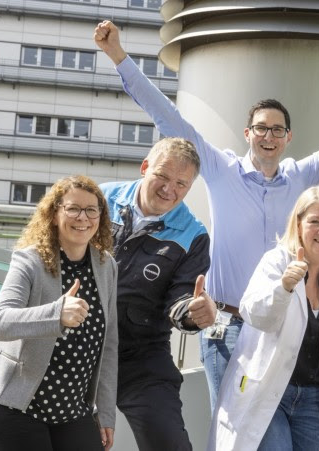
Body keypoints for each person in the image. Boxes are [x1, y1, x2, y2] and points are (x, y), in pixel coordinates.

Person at [93, 20, 319, 410]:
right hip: (227, 326)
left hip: (282, 325)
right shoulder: (221, 169)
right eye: (261, 129)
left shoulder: (302, 176)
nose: (269, 136)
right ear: (247, 133)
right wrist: (118, 55)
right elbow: (168, 117)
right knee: (231, 427)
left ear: (288, 138)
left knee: (275, 427)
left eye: (277, 130)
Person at [208, 186, 319, 450]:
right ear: (298, 224)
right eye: (315, 222)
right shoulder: (276, 261)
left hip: (315, 396)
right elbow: (253, 313)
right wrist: (283, 287)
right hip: (267, 390)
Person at [0, 175, 118, 451]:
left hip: (71, 410)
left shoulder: (105, 264)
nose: (82, 217)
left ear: (101, 216)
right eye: (73, 208)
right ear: (54, 214)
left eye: (91, 209)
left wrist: (106, 412)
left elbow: (108, 344)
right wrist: (56, 314)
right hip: (11, 404)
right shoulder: (30, 260)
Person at [101, 137, 216, 451]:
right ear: (144, 167)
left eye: (181, 183)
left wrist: (193, 312)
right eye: (162, 176)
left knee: (170, 442)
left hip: (141, 356)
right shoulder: (100, 199)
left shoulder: (194, 235)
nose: (169, 189)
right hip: (81, 346)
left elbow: (181, 299)